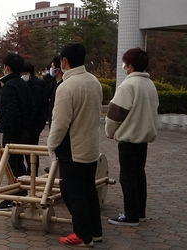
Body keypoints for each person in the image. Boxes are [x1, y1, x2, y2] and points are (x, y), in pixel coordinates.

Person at [48, 43, 103, 247]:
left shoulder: (66, 86)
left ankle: (82, 235)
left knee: (73, 192)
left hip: (72, 148)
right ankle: (95, 231)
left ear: (64, 61)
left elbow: (60, 123)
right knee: (89, 191)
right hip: (90, 146)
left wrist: (51, 145)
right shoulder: (93, 81)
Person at [106, 48, 158, 226]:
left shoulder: (128, 85)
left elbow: (115, 113)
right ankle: (139, 211)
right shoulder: (149, 85)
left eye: (125, 63)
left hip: (128, 139)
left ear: (129, 65)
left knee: (127, 177)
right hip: (143, 139)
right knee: (138, 175)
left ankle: (130, 215)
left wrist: (110, 131)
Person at [0, 53, 32, 210]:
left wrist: (13, 130)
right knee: (19, 163)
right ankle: (22, 192)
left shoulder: (9, 87)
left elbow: (11, 111)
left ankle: (14, 196)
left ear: (7, 68)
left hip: (13, 132)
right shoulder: (23, 84)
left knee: (11, 165)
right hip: (24, 130)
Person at [22, 63, 48, 176]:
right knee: (30, 148)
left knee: (31, 148)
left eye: (23, 74)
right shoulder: (31, 84)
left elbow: (35, 105)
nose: (22, 76)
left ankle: (33, 172)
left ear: (29, 74)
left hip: (34, 123)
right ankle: (31, 170)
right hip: (35, 122)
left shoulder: (36, 86)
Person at [46, 56, 64, 128]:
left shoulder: (63, 84)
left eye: (52, 66)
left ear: (57, 69)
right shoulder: (52, 82)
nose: (51, 69)